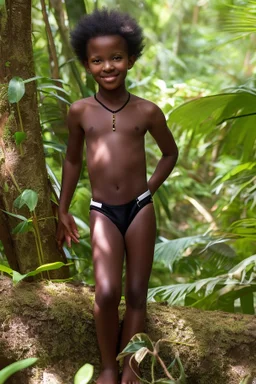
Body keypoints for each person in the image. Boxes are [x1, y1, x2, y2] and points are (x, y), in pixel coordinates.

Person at [56, 8, 178, 384]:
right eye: (97, 60)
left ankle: (130, 366)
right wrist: (62, 208)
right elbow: (73, 160)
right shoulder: (80, 111)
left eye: (116, 57)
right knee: (107, 292)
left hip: (140, 209)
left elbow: (170, 154)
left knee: (137, 292)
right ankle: (108, 365)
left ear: (131, 60)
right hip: (102, 211)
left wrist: (149, 190)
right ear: (86, 64)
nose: (108, 66)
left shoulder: (147, 111)